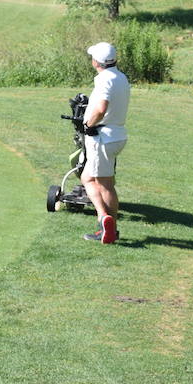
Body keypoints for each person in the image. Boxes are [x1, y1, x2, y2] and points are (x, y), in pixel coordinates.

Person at [81, 42, 130, 245]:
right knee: (87, 177)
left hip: (103, 137)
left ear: (96, 62)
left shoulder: (105, 80)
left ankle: (108, 225)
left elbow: (101, 108)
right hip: (117, 134)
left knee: (105, 185)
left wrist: (89, 125)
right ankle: (104, 220)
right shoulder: (121, 77)